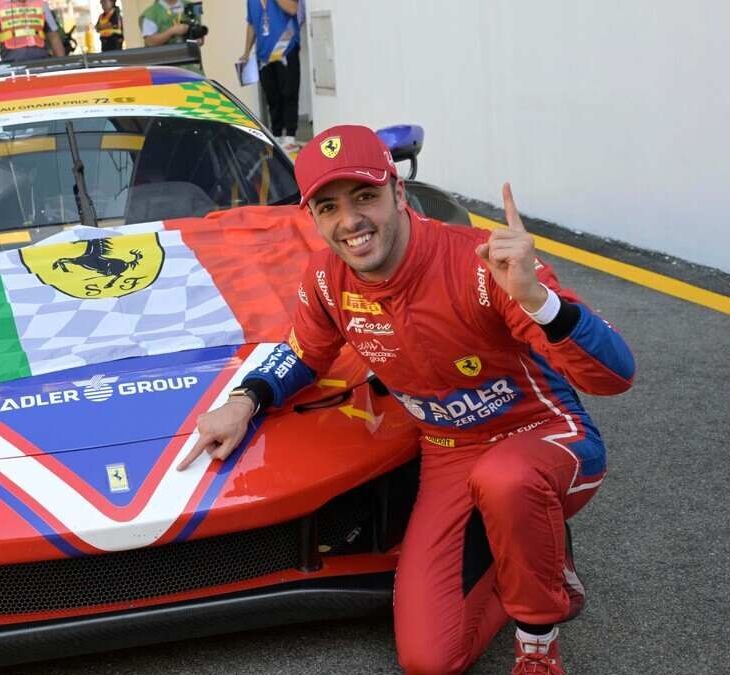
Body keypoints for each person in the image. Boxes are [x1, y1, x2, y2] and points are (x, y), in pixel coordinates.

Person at [177, 126, 635, 675]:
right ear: (313, 217)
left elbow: (615, 376)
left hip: (544, 435)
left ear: (398, 191)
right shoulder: (326, 279)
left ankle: (538, 645)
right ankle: (535, 554)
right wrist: (245, 400)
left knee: (507, 481)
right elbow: (304, 353)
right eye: (328, 207)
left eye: (364, 196)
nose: (350, 221)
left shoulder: (484, 262)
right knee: (429, 660)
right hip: (448, 455)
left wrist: (537, 299)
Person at [241, 0, 303, 153]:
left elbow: (293, 9)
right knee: (272, 97)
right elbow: (251, 24)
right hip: (264, 56)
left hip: (286, 49)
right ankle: (276, 136)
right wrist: (246, 52)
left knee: (289, 94)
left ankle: (290, 137)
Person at [0, 0, 65, 66]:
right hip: (10, 65)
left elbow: (54, 37)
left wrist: (63, 64)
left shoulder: (41, 5)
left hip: (41, 62)